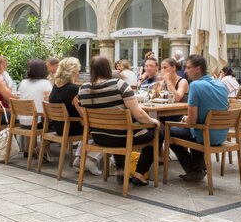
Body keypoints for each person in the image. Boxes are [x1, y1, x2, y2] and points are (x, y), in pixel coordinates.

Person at [78, 56, 160, 186]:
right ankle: (139, 174)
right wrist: (153, 121)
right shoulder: (119, 85)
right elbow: (138, 114)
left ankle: (121, 171)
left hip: (99, 137)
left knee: (119, 129)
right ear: (108, 69)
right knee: (157, 132)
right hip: (121, 137)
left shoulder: (83, 88)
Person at [168, 54, 229, 182]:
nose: (185, 71)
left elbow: (191, 122)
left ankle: (194, 170)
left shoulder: (195, 85)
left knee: (167, 131)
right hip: (221, 134)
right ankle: (198, 168)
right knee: (193, 131)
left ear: (198, 69)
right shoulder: (220, 84)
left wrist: (185, 119)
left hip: (206, 134)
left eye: (188, 67)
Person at [49, 57, 99, 175]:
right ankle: (91, 160)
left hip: (58, 127)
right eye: (78, 71)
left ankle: (80, 158)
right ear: (72, 72)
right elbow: (82, 113)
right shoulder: (74, 89)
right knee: (99, 130)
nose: (78, 73)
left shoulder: (55, 87)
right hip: (71, 128)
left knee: (89, 128)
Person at [16, 59, 52, 127]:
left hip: (22, 121)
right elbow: (49, 101)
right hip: (37, 122)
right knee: (57, 123)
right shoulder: (45, 83)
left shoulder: (23, 82)